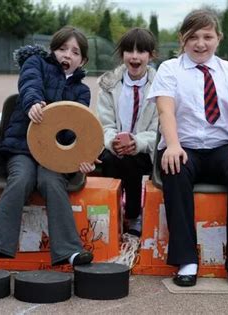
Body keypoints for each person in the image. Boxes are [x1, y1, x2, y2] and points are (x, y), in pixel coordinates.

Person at [147, 9, 228, 288]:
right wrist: (172, 145)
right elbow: (165, 111)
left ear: (218, 38)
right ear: (182, 40)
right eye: (193, 37)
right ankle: (186, 260)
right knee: (175, 167)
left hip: (221, 146)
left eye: (207, 36)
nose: (200, 43)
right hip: (183, 146)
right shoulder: (169, 69)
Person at [0, 26, 96, 274]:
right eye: (62, 49)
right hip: (22, 148)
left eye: (74, 52)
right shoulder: (36, 63)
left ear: (82, 60)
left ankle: (70, 251)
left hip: (55, 157)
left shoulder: (82, 91)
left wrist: (82, 158)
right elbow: (29, 84)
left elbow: (77, 130)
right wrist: (33, 103)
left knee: (51, 182)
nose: (67, 55)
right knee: (21, 179)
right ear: (53, 51)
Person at [96, 28, 158, 237]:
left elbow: (158, 129)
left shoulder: (161, 86)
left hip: (146, 150)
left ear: (151, 55)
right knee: (109, 159)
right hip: (114, 148)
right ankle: (111, 212)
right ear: (121, 54)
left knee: (132, 161)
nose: (134, 56)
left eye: (141, 51)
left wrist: (136, 142)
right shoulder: (109, 85)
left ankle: (133, 214)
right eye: (129, 51)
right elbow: (104, 123)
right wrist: (113, 141)